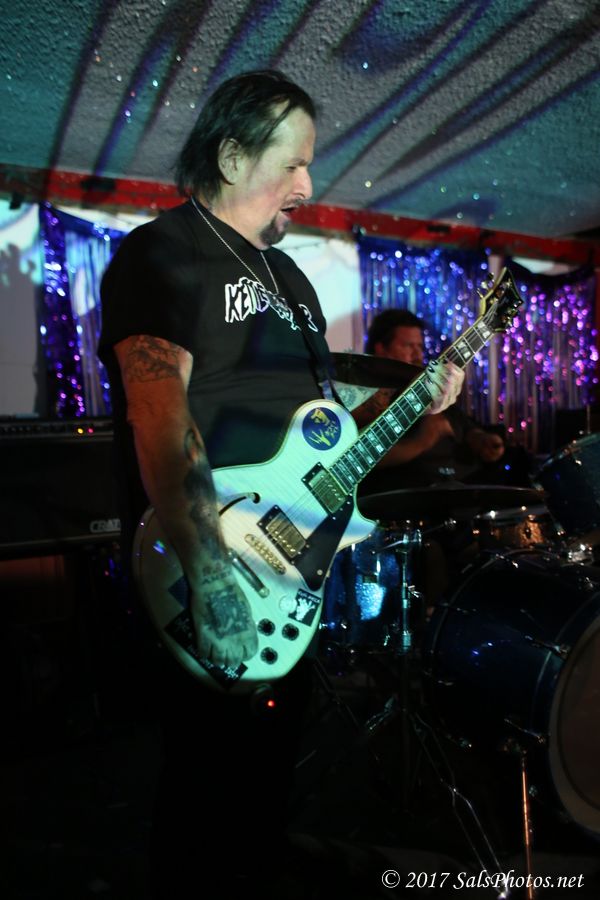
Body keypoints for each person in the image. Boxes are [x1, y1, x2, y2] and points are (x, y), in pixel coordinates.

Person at [97, 70, 463, 898]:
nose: (307, 183)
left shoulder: (292, 283)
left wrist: (415, 399)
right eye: (293, 163)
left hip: (289, 562)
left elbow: (327, 437)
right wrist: (211, 577)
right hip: (208, 563)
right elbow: (160, 416)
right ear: (232, 158)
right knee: (201, 788)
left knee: (265, 775)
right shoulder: (163, 253)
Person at [347, 308, 506, 495]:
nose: (417, 354)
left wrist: (481, 439)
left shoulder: (428, 385)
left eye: (420, 347)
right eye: (408, 346)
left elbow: (465, 426)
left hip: (460, 489)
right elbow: (355, 459)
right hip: (402, 498)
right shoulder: (364, 395)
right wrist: (423, 440)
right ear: (381, 348)